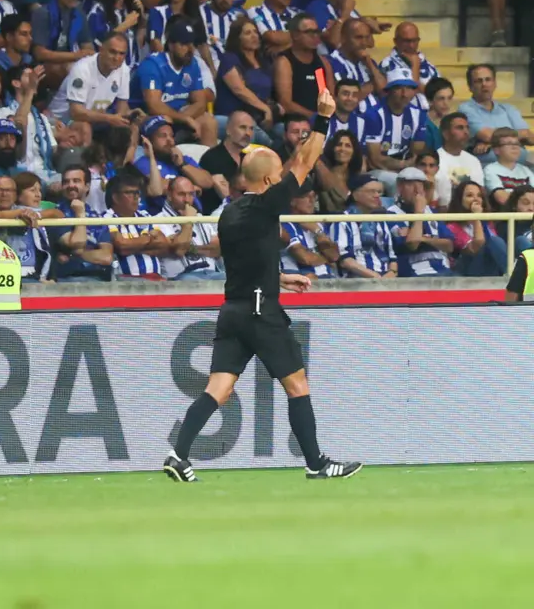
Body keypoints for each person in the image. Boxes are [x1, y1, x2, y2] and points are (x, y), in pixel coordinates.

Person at [163, 88, 361, 483]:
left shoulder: (230, 212)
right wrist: (323, 118)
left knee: (217, 388)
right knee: (297, 384)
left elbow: (242, 259)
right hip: (259, 311)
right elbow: (305, 161)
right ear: (270, 180)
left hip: (234, 308)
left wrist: (280, 277)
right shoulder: (266, 205)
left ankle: (178, 453)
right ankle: (316, 463)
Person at [136, 22, 218, 146]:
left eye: (192, 44)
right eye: (184, 44)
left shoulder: (193, 64)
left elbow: (200, 102)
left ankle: (207, 164)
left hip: (178, 115)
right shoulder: (152, 64)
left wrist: (183, 118)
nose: (190, 49)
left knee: (209, 121)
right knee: (164, 123)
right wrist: (184, 119)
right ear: (171, 45)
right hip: (147, 117)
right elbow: (154, 106)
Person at [363, 68, 428, 193]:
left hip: (405, 168)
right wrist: (403, 165)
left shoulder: (418, 114)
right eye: (399, 89)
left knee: (427, 180)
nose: (405, 94)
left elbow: (417, 152)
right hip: (377, 171)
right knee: (397, 182)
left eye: (409, 88)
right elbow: (375, 159)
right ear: (389, 91)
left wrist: (404, 166)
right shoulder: (375, 114)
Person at [386, 166, 455, 276]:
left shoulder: (432, 211)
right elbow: (412, 244)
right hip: (415, 273)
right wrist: (419, 212)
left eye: (420, 185)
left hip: (444, 271)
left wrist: (422, 238)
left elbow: (449, 245)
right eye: (410, 184)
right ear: (400, 187)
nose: (417, 190)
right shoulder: (390, 214)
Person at [51, 164, 113, 281]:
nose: (71, 185)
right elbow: (76, 244)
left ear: (87, 186)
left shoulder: (97, 217)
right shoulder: (55, 214)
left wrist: (73, 255)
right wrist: (80, 214)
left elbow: (106, 257)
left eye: (76, 181)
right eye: (66, 182)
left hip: (99, 279)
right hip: (66, 280)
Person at [458, 63, 534, 155]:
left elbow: (530, 138)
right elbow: (487, 135)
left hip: (520, 163)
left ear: (495, 84)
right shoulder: (466, 109)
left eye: (488, 79)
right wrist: (518, 137)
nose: (484, 84)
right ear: (470, 87)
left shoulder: (509, 109)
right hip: (488, 164)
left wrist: (492, 143)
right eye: (478, 81)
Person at [483, 126, 534, 205]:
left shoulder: (526, 170)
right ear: (497, 150)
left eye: (517, 144)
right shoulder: (490, 170)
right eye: (509, 144)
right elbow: (502, 198)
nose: (515, 147)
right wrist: (526, 201)